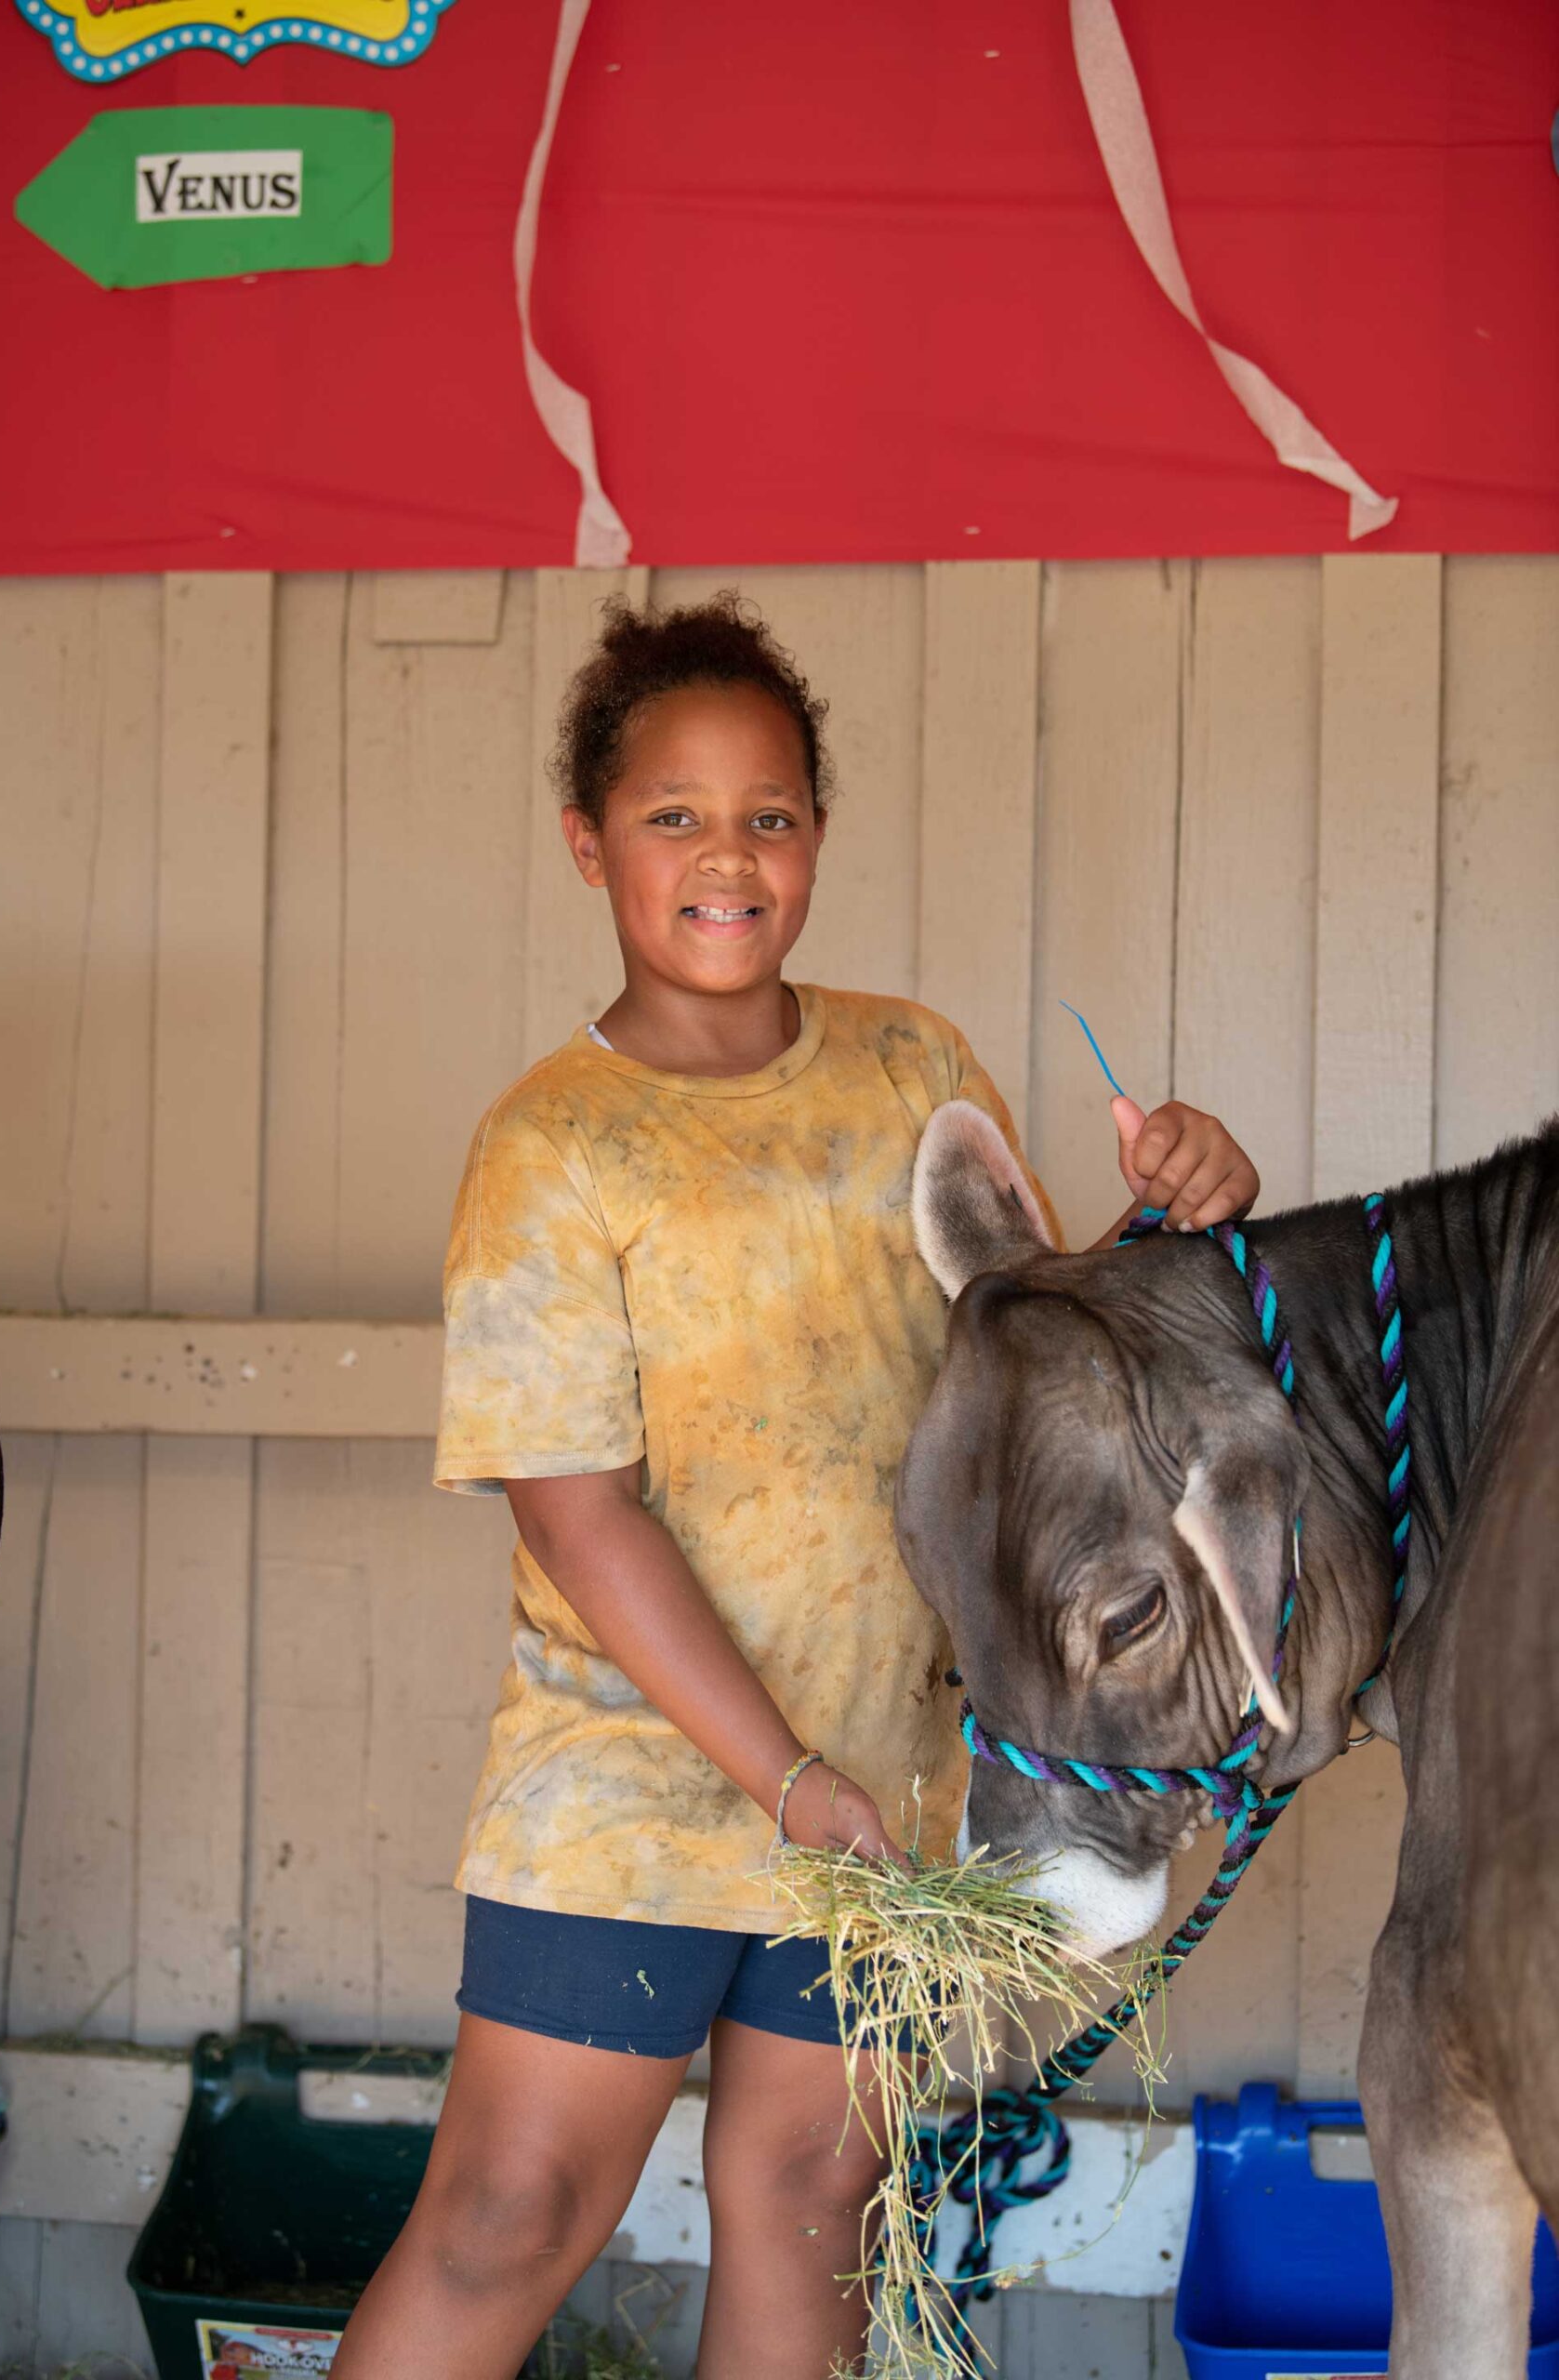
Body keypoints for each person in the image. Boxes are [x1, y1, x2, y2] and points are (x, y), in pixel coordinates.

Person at [333, 595, 1260, 2380]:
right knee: (505, 2216)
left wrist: (1175, 1219)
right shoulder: (553, 1146)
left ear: (818, 836)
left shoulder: (909, 1066)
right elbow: (575, 1510)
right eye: (674, 814)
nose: (727, 854)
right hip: (637, 1790)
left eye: (770, 812)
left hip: (890, 1790)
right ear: (588, 842)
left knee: (810, 2201)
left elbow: (1024, 1379)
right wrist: (789, 1783)